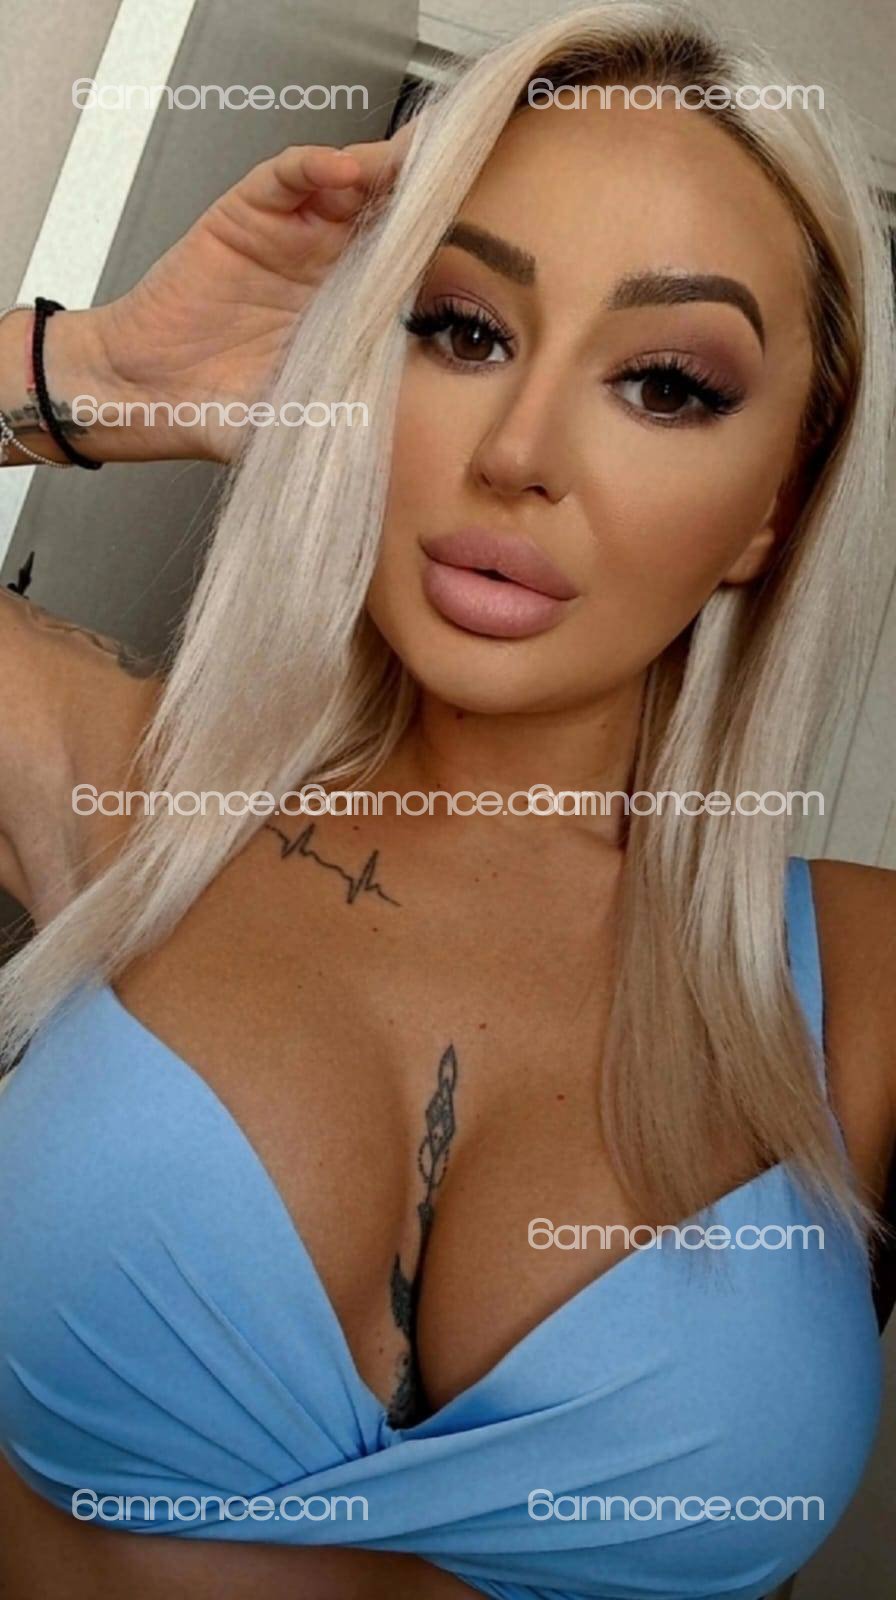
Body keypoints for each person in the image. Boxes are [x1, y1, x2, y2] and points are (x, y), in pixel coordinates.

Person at [0, 5, 893, 1598]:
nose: (520, 452)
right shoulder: (132, 794)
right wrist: (103, 371)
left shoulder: (870, 992)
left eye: (666, 383)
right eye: (462, 330)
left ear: (776, 506)